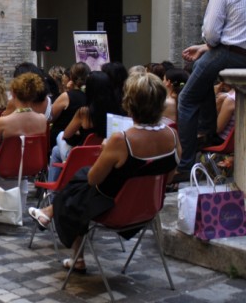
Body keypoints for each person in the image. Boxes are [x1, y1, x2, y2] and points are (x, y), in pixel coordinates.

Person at [28, 73, 181, 274]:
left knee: (81, 183)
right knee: (81, 182)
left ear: (130, 103)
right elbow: (168, 178)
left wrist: (105, 150)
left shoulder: (121, 140)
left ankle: (73, 249)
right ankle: (53, 220)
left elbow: (94, 179)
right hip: (148, 208)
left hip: (116, 210)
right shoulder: (172, 136)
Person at [176, 0, 246, 180]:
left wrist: (207, 43)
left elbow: (212, 32)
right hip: (236, 52)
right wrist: (205, 48)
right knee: (199, 68)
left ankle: (185, 166)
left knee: (185, 100)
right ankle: (207, 129)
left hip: (229, 54)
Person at [0, 73, 49, 190]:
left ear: (13, 93)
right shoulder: (42, 119)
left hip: (5, 165)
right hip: (32, 165)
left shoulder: (3, 122)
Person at [48, 71, 123, 182]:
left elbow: (67, 135)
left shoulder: (84, 112)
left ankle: (53, 191)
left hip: (82, 157)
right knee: (55, 150)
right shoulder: (118, 110)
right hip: (106, 154)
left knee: (59, 137)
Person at [48, 62, 90, 148]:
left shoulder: (67, 96)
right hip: (83, 139)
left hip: (66, 137)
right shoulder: (90, 94)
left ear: (71, 77)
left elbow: (51, 117)